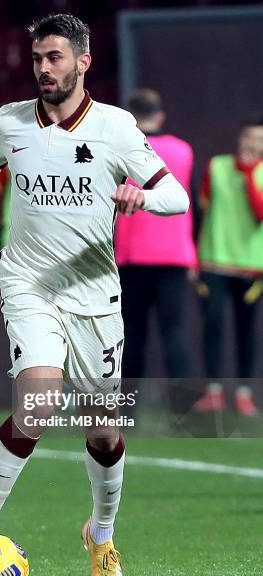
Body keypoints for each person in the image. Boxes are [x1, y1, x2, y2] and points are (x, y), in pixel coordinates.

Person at [0, 14, 188, 576]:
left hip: (95, 294)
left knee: (105, 432)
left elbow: (178, 195)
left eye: (56, 58)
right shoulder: (10, 122)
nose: (44, 68)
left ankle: (102, 533)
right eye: (38, 58)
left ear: (83, 62)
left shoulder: (116, 128)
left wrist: (142, 196)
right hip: (30, 284)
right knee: (38, 404)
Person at [115, 89, 196, 384]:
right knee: (174, 331)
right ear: (160, 115)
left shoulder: (122, 148)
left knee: (132, 333)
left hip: (132, 256)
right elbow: (192, 205)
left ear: (130, 117)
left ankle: (127, 409)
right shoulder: (183, 150)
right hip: (175, 257)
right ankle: (183, 413)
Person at [193, 116, 263, 416]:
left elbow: (260, 213)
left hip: (250, 266)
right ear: (240, 138)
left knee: (246, 330)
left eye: (259, 139)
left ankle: (244, 392)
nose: (253, 144)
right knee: (213, 325)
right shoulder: (217, 166)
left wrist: (248, 175)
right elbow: (201, 208)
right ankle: (213, 391)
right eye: (249, 137)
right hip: (213, 262)